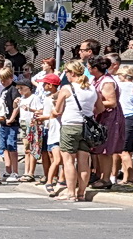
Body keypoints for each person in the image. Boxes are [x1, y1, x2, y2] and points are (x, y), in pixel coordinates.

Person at [53, 60, 97, 202]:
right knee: (84, 161)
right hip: (86, 127)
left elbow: (57, 111)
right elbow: (100, 107)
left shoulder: (67, 88)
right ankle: (81, 193)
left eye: (66, 72)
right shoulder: (92, 89)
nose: (65, 74)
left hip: (70, 125)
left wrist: (53, 110)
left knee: (69, 161)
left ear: (72, 73)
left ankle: (71, 193)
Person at [88, 55, 127, 188]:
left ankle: (106, 179)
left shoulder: (107, 82)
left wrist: (92, 103)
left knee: (105, 149)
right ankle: (100, 176)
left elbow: (112, 102)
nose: (88, 69)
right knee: (99, 149)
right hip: (99, 117)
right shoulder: (95, 80)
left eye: (89, 67)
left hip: (109, 118)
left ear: (95, 68)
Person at [116, 65, 133, 190]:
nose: (118, 77)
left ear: (124, 75)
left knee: (123, 150)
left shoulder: (121, 86)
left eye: (119, 75)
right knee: (129, 149)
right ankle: (126, 177)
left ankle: (131, 176)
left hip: (126, 117)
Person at [0, 71, 21, 183]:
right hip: (3, 122)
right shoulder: (4, 90)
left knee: (11, 147)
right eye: (1, 80)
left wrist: (12, 118)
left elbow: (16, 105)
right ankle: (8, 169)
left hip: (11, 123)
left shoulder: (14, 89)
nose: (2, 82)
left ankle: (15, 172)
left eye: (5, 79)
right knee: (3, 147)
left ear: (11, 78)